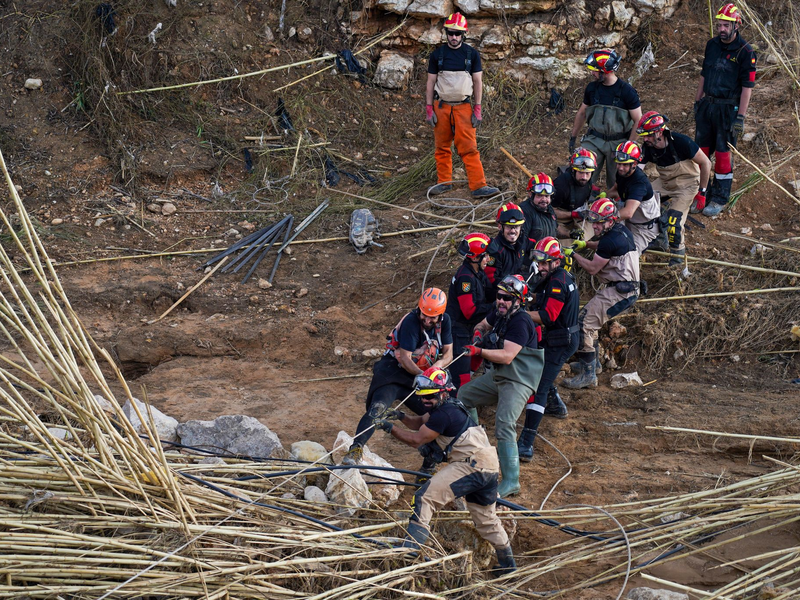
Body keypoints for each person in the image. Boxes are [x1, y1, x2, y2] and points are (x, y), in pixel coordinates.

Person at [372, 367, 516, 576]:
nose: (425, 401)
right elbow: (420, 423)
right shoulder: (448, 407)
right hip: (489, 467)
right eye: (422, 397)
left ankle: (410, 550)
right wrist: (400, 416)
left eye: (429, 397)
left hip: (471, 466)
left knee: (424, 498)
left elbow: (416, 440)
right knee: (486, 519)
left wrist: (389, 427)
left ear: (442, 392)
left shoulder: (443, 414)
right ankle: (508, 564)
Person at [342, 288, 453, 466]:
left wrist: (435, 369)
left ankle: (428, 467)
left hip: (422, 375)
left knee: (436, 415)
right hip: (395, 371)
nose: (427, 320)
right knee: (377, 408)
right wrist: (423, 376)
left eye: (432, 317)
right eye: (424, 314)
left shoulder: (445, 321)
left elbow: (449, 354)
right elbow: (406, 358)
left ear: (440, 315)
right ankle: (355, 449)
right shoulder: (411, 322)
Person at [458, 275, 544, 497]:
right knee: (464, 397)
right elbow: (483, 324)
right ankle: (478, 448)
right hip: (500, 375)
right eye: (499, 296)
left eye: (507, 298)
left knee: (505, 423)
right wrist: (478, 333)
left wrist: (479, 351)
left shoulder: (521, 321)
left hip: (519, 380)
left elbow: (507, 356)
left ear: (518, 301)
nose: (501, 301)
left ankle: (511, 481)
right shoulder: (500, 313)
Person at [562, 199, 639, 389]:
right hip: (623, 287)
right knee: (591, 322)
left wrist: (572, 254)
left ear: (610, 220)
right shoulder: (619, 231)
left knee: (584, 324)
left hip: (620, 291)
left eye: (598, 222)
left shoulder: (610, 239)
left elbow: (591, 268)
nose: (594, 226)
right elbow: (603, 246)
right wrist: (586, 244)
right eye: (593, 222)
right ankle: (593, 364)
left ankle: (588, 375)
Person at [517, 238, 580, 461]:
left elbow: (547, 315)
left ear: (556, 262)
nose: (540, 267)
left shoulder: (557, 282)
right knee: (541, 372)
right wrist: (529, 297)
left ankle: (526, 442)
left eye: (544, 264)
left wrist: (518, 314)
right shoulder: (558, 277)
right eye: (538, 262)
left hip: (561, 340)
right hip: (559, 337)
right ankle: (556, 406)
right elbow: (545, 299)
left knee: (539, 386)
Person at [426, 12, 499, 198]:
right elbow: (430, 83)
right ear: (446, 33)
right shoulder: (438, 55)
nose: (454, 37)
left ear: (463, 34)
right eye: (450, 33)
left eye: (458, 34)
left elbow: (478, 82)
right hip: (441, 107)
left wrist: (478, 109)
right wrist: (428, 109)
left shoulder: (471, 55)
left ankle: (478, 186)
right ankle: (444, 183)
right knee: (442, 147)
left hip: (464, 107)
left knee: (469, 148)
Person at [694, 3, 756, 216]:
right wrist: (697, 101)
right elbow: (704, 74)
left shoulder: (746, 52)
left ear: (736, 25)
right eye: (719, 24)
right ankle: (703, 193)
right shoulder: (711, 44)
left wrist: (740, 117)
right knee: (700, 153)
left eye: (725, 25)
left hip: (727, 110)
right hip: (707, 107)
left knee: (722, 156)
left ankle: (720, 198)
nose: (721, 29)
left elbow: (747, 88)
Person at [637, 111, 712, 265]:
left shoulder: (681, 142)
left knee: (674, 221)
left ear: (659, 132)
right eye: (644, 135)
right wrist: (629, 191)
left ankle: (677, 258)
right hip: (665, 182)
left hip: (688, 184)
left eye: (648, 135)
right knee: (642, 203)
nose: (645, 139)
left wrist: (702, 192)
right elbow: (637, 170)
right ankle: (659, 239)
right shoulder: (648, 147)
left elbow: (706, 163)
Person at [569, 49, 642, 187]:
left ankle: (612, 205)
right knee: (581, 172)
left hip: (619, 142)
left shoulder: (627, 91)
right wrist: (573, 137)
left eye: (595, 70)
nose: (592, 73)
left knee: (618, 182)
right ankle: (581, 201)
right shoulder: (592, 88)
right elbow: (581, 113)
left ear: (605, 71)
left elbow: (638, 120)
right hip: (594, 140)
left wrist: (629, 146)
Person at [446, 232, 493, 394]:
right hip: (458, 332)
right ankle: (456, 407)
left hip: (468, 329)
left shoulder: (477, 273)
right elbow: (469, 312)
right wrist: (495, 307)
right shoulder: (465, 279)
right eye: (485, 256)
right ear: (474, 258)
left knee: (479, 352)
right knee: (461, 379)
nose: (488, 259)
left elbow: (490, 292)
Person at [606, 141, 660, 254]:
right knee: (609, 243)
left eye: (625, 164)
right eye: (619, 163)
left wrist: (606, 219)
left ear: (634, 164)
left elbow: (628, 212)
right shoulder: (622, 173)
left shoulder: (639, 183)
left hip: (643, 228)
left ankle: (655, 241)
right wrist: (602, 199)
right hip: (628, 221)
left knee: (627, 254)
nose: (620, 168)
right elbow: (615, 189)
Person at [552, 147, 598, 240]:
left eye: (587, 173)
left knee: (598, 226)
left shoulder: (587, 178)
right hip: (562, 218)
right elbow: (550, 211)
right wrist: (573, 215)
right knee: (571, 242)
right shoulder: (561, 186)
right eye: (580, 173)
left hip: (581, 213)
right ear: (573, 170)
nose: (584, 177)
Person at [485, 202, 526, 292]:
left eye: (516, 227)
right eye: (509, 227)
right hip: (500, 297)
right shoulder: (495, 250)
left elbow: (533, 245)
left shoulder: (521, 241)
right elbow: (491, 280)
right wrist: (513, 285)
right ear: (500, 226)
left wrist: (536, 259)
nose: (513, 231)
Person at [519, 173, 560, 252]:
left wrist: (570, 233)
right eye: (539, 195)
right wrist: (531, 262)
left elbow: (555, 229)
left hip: (547, 257)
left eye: (547, 196)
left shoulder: (548, 208)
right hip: (532, 259)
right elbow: (520, 244)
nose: (544, 199)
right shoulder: (524, 212)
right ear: (530, 194)